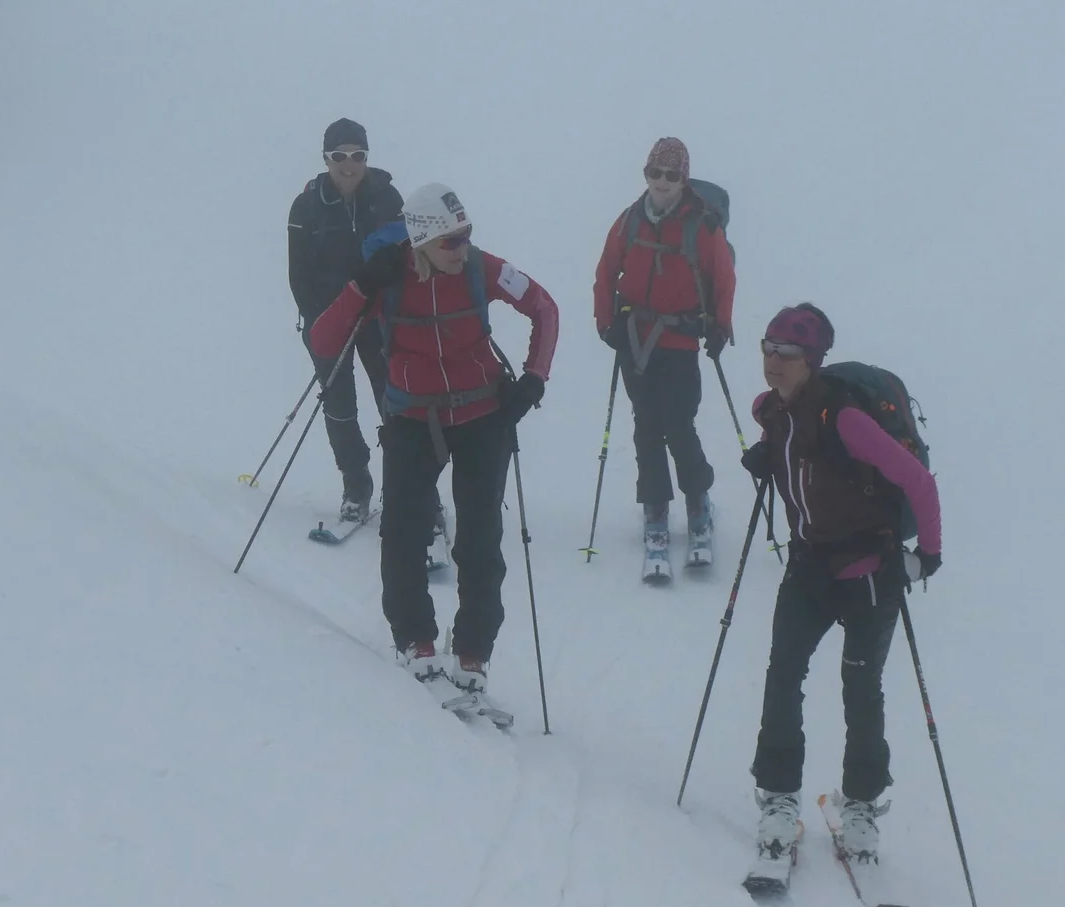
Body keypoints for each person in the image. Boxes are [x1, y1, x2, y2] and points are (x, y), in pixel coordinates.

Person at [307, 182, 559, 717]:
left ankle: (472, 654)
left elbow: (545, 308)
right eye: (451, 241)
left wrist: (533, 380)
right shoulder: (386, 280)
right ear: (421, 242)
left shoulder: (481, 269)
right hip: (411, 419)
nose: (462, 248)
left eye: (466, 236)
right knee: (403, 532)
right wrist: (358, 286)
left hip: (482, 415)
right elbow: (324, 343)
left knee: (480, 539)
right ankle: (415, 642)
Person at [738, 304, 942, 874]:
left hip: (869, 572)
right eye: (767, 348)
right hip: (808, 567)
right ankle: (779, 798)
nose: (773, 362)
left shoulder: (848, 420)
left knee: (861, 688)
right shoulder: (770, 411)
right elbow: (781, 441)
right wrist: (768, 456)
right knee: (783, 676)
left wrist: (927, 556)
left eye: (787, 354)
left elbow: (918, 483)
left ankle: (860, 808)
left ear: (812, 361)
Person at [591, 136, 735, 577]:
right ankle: (655, 510)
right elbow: (604, 272)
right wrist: (606, 324)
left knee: (678, 426)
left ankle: (697, 503)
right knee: (647, 429)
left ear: (684, 179)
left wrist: (720, 327)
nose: (663, 183)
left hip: (681, 340)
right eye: (655, 173)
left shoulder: (702, 225)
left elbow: (723, 278)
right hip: (636, 339)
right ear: (646, 174)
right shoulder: (629, 221)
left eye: (672, 176)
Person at [287, 118, 403, 522]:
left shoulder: (388, 198)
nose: (349, 164)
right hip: (328, 320)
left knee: (395, 403)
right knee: (339, 407)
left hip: (378, 318)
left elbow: (407, 258)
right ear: (326, 158)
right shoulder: (306, 205)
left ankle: (407, 485)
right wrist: (320, 319)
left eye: (358, 155)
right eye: (340, 156)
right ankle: (356, 484)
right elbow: (298, 274)